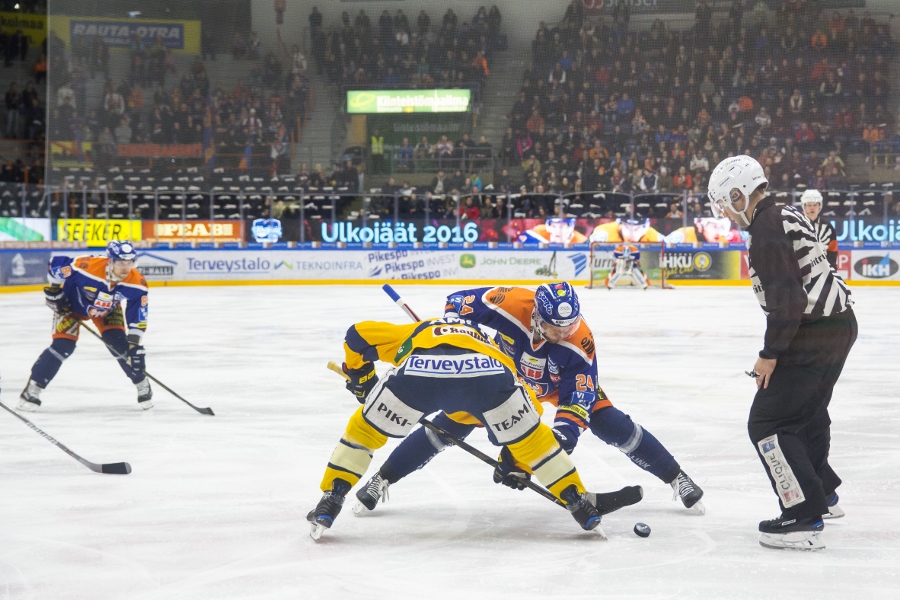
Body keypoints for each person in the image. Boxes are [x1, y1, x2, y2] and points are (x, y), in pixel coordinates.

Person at [354, 283, 703, 515]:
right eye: (556, 327)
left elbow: (576, 403)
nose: (564, 333)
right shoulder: (510, 303)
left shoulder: (578, 343)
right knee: (447, 425)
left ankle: (676, 476)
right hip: (501, 376)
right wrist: (454, 334)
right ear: (536, 314)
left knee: (609, 422)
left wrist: (521, 459)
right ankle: (382, 478)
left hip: (554, 387)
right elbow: (458, 302)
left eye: (570, 325)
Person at [308, 315, 617, 540]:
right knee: (537, 444)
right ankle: (578, 503)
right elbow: (530, 420)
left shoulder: (420, 328)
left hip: (420, 372)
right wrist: (516, 460)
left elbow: (357, 335)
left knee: (363, 434)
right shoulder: (495, 349)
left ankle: (331, 499)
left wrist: (363, 379)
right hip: (488, 377)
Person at [708, 156, 856, 551]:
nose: (723, 211)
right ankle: (822, 492)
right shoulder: (782, 211)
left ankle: (803, 516)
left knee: (769, 421)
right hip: (834, 326)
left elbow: (788, 301)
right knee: (804, 413)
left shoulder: (767, 229)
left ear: (739, 195)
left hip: (812, 332)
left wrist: (770, 353)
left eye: (725, 201)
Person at [18, 242, 152, 411]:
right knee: (62, 346)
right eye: (120, 263)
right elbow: (55, 264)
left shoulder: (137, 283)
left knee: (119, 345)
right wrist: (54, 292)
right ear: (110, 261)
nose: (126, 268)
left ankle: (142, 383)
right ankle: (33, 388)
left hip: (108, 310)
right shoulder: (85, 267)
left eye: (130, 262)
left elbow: (137, 317)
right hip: (70, 306)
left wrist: (135, 347)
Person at [799, 189, 838, 269]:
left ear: (820, 206)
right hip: (801, 272)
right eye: (809, 205)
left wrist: (832, 272)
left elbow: (832, 252)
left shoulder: (827, 227)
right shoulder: (796, 225)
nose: (812, 208)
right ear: (804, 206)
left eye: (815, 205)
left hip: (822, 271)